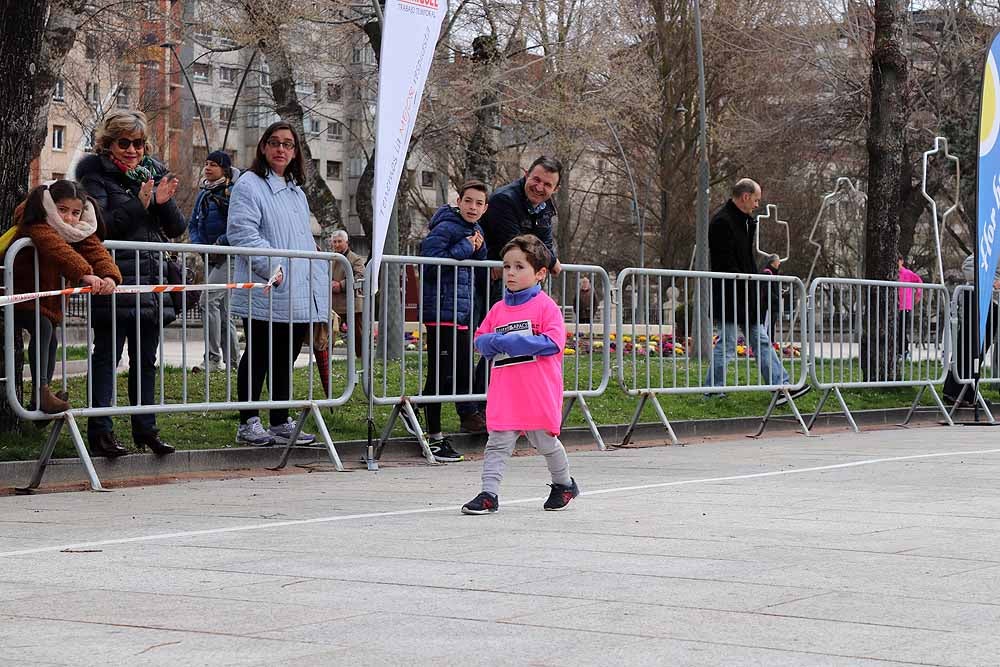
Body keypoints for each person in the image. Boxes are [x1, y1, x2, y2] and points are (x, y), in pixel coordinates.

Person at [76, 110, 183, 457]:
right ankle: (101, 431)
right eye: (124, 143)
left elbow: (177, 227)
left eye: (138, 143)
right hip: (114, 279)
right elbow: (101, 226)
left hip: (150, 281)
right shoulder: (94, 175)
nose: (133, 150)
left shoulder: (152, 171)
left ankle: (146, 429)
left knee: (145, 360)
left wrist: (161, 204)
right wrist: (140, 204)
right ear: (108, 144)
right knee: (107, 356)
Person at [227, 121, 330, 447]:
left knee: (286, 355)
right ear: (263, 147)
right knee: (258, 353)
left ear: (295, 151)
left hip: (296, 289)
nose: (281, 149)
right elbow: (243, 233)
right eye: (274, 142)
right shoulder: (249, 185)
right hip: (267, 286)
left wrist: (317, 283)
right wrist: (270, 268)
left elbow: (301, 240)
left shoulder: (296, 192)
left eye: (288, 144)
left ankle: (280, 419)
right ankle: (248, 421)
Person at [462, 234, 579, 515]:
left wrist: (516, 342)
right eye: (507, 266)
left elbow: (554, 343)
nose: (511, 273)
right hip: (506, 390)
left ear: (539, 273)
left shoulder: (546, 307)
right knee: (497, 443)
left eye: (519, 267)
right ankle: (489, 494)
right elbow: (480, 338)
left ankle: (563, 484)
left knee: (545, 442)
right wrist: (492, 342)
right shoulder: (498, 309)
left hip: (537, 391)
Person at [9, 181, 121, 416]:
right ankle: (42, 392)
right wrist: (85, 274)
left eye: (75, 212)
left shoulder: (76, 230)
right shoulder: (36, 222)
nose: (69, 218)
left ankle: (41, 399)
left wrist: (110, 275)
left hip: (47, 301)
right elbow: (56, 248)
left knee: (50, 339)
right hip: (21, 294)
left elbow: (95, 249)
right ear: (50, 205)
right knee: (43, 329)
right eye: (62, 210)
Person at [703, 179, 809, 405]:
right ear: (745, 197)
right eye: (756, 200)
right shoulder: (722, 222)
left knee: (759, 340)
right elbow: (726, 262)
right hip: (730, 293)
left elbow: (745, 260)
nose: (757, 205)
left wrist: (753, 283)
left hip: (744, 292)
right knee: (728, 342)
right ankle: (713, 389)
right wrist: (749, 283)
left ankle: (781, 386)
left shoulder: (745, 222)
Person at [419, 180, 490, 462]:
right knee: (440, 373)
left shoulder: (476, 230)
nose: (473, 207)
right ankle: (432, 435)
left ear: (485, 208)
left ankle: (454, 422)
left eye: (479, 203)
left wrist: (479, 249)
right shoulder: (447, 227)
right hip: (441, 311)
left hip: (462, 312)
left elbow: (478, 262)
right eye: (469, 201)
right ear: (458, 201)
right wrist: (464, 248)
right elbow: (430, 261)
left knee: (460, 372)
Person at [188, 150, 240, 373]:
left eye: (214, 165)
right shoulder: (203, 194)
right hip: (209, 256)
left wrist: (222, 243)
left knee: (207, 301)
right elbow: (193, 224)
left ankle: (212, 358)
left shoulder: (234, 192)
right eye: (206, 163)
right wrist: (201, 246)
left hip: (229, 256)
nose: (208, 168)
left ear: (225, 169)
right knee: (224, 310)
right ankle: (235, 362)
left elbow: (240, 224)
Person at [944, 253, 997, 404]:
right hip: (977, 300)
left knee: (978, 351)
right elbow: (968, 265)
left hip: (991, 303)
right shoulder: (993, 243)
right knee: (968, 346)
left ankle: (967, 391)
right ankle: (954, 390)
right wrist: (993, 283)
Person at [330, 229, 365, 361]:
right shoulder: (331, 258)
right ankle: (326, 359)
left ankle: (362, 358)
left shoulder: (355, 259)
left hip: (352, 304)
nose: (337, 244)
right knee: (328, 333)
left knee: (358, 334)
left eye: (340, 241)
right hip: (334, 304)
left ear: (347, 242)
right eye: (335, 242)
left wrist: (341, 285)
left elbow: (360, 276)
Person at [897, 256, 924, 360]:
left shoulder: (907, 273)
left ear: (902, 261)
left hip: (904, 305)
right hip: (896, 304)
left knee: (902, 329)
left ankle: (904, 351)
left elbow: (919, 281)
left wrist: (918, 294)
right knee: (895, 328)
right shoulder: (893, 274)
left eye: (898, 261)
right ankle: (898, 351)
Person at [760, 253, 781, 341]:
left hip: (772, 305)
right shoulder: (767, 273)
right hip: (768, 306)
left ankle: (770, 343)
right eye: (778, 261)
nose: (779, 263)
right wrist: (775, 298)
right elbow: (766, 290)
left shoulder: (773, 273)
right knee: (767, 326)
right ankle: (766, 344)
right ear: (773, 262)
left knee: (771, 326)